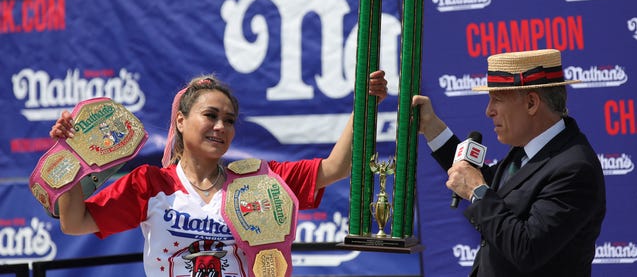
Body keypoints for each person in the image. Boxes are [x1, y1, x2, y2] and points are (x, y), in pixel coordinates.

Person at [49, 70, 388, 277]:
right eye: (210, 115)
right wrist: (70, 157)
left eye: (228, 120)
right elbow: (74, 222)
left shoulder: (259, 182)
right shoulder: (150, 184)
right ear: (180, 121)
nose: (220, 126)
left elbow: (336, 168)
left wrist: (364, 103)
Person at [413, 49, 606, 277]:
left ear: (532, 103)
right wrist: (431, 127)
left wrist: (477, 192)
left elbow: (528, 249)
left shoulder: (574, 168)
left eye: (497, 99)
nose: (488, 111)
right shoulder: (529, 151)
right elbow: (488, 183)